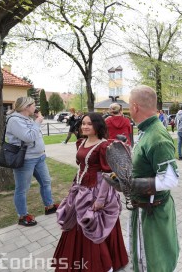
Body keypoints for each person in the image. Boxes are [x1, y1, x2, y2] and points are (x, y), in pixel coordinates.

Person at [113, 85, 179, 271]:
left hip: (152, 212)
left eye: (128, 106)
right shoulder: (146, 130)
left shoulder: (157, 136)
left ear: (134, 106)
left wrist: (130, 184)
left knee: (152, 262)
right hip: (143, 207)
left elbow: (171, 179)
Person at [53, 113, 128, 271]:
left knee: (93, 225)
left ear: (97, 126)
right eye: (83, 123)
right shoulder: (81, 142)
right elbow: (81, 167)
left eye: (89, 124)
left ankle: (102, 263)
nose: (84, 126)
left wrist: (100, 200)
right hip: (80, 189)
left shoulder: (104, 146)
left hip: (96, 190)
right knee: (75, 225)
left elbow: (108, 174)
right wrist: (74, 187)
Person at [5, 97, 58, 226]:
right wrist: (38, 121)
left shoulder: (27, 119)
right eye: (33, 105)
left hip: (39, 157)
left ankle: (49, 206)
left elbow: (35, 136)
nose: (35, 107)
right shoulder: (14, 120)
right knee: (22, 188)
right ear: (26, 107)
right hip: (26, 160)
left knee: (46, 182)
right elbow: (28, 137)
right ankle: (23, 216)